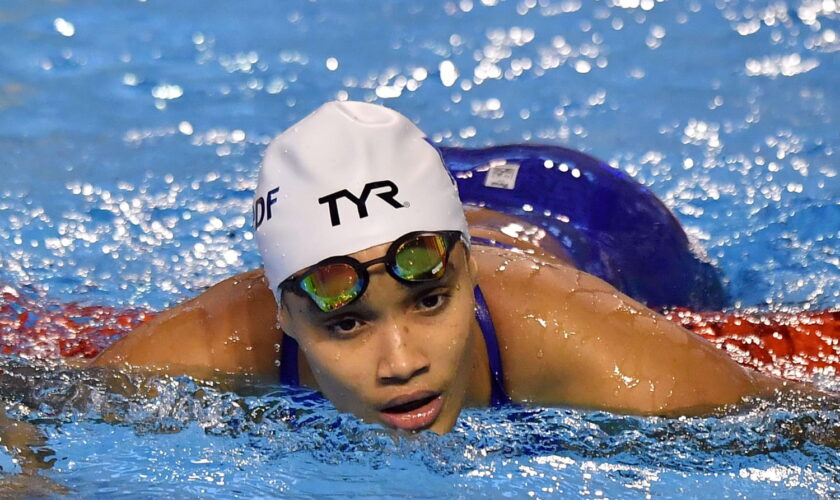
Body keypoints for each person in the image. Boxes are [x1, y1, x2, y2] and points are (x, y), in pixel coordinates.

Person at [91, 101, 791, 435]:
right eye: (346, 322)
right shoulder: (206, 343)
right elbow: (31, 416)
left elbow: (807, 426)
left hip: (580, 214)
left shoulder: (599, 348)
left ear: (469, 273)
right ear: (284, 316)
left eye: (429, 301)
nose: (401, 363)